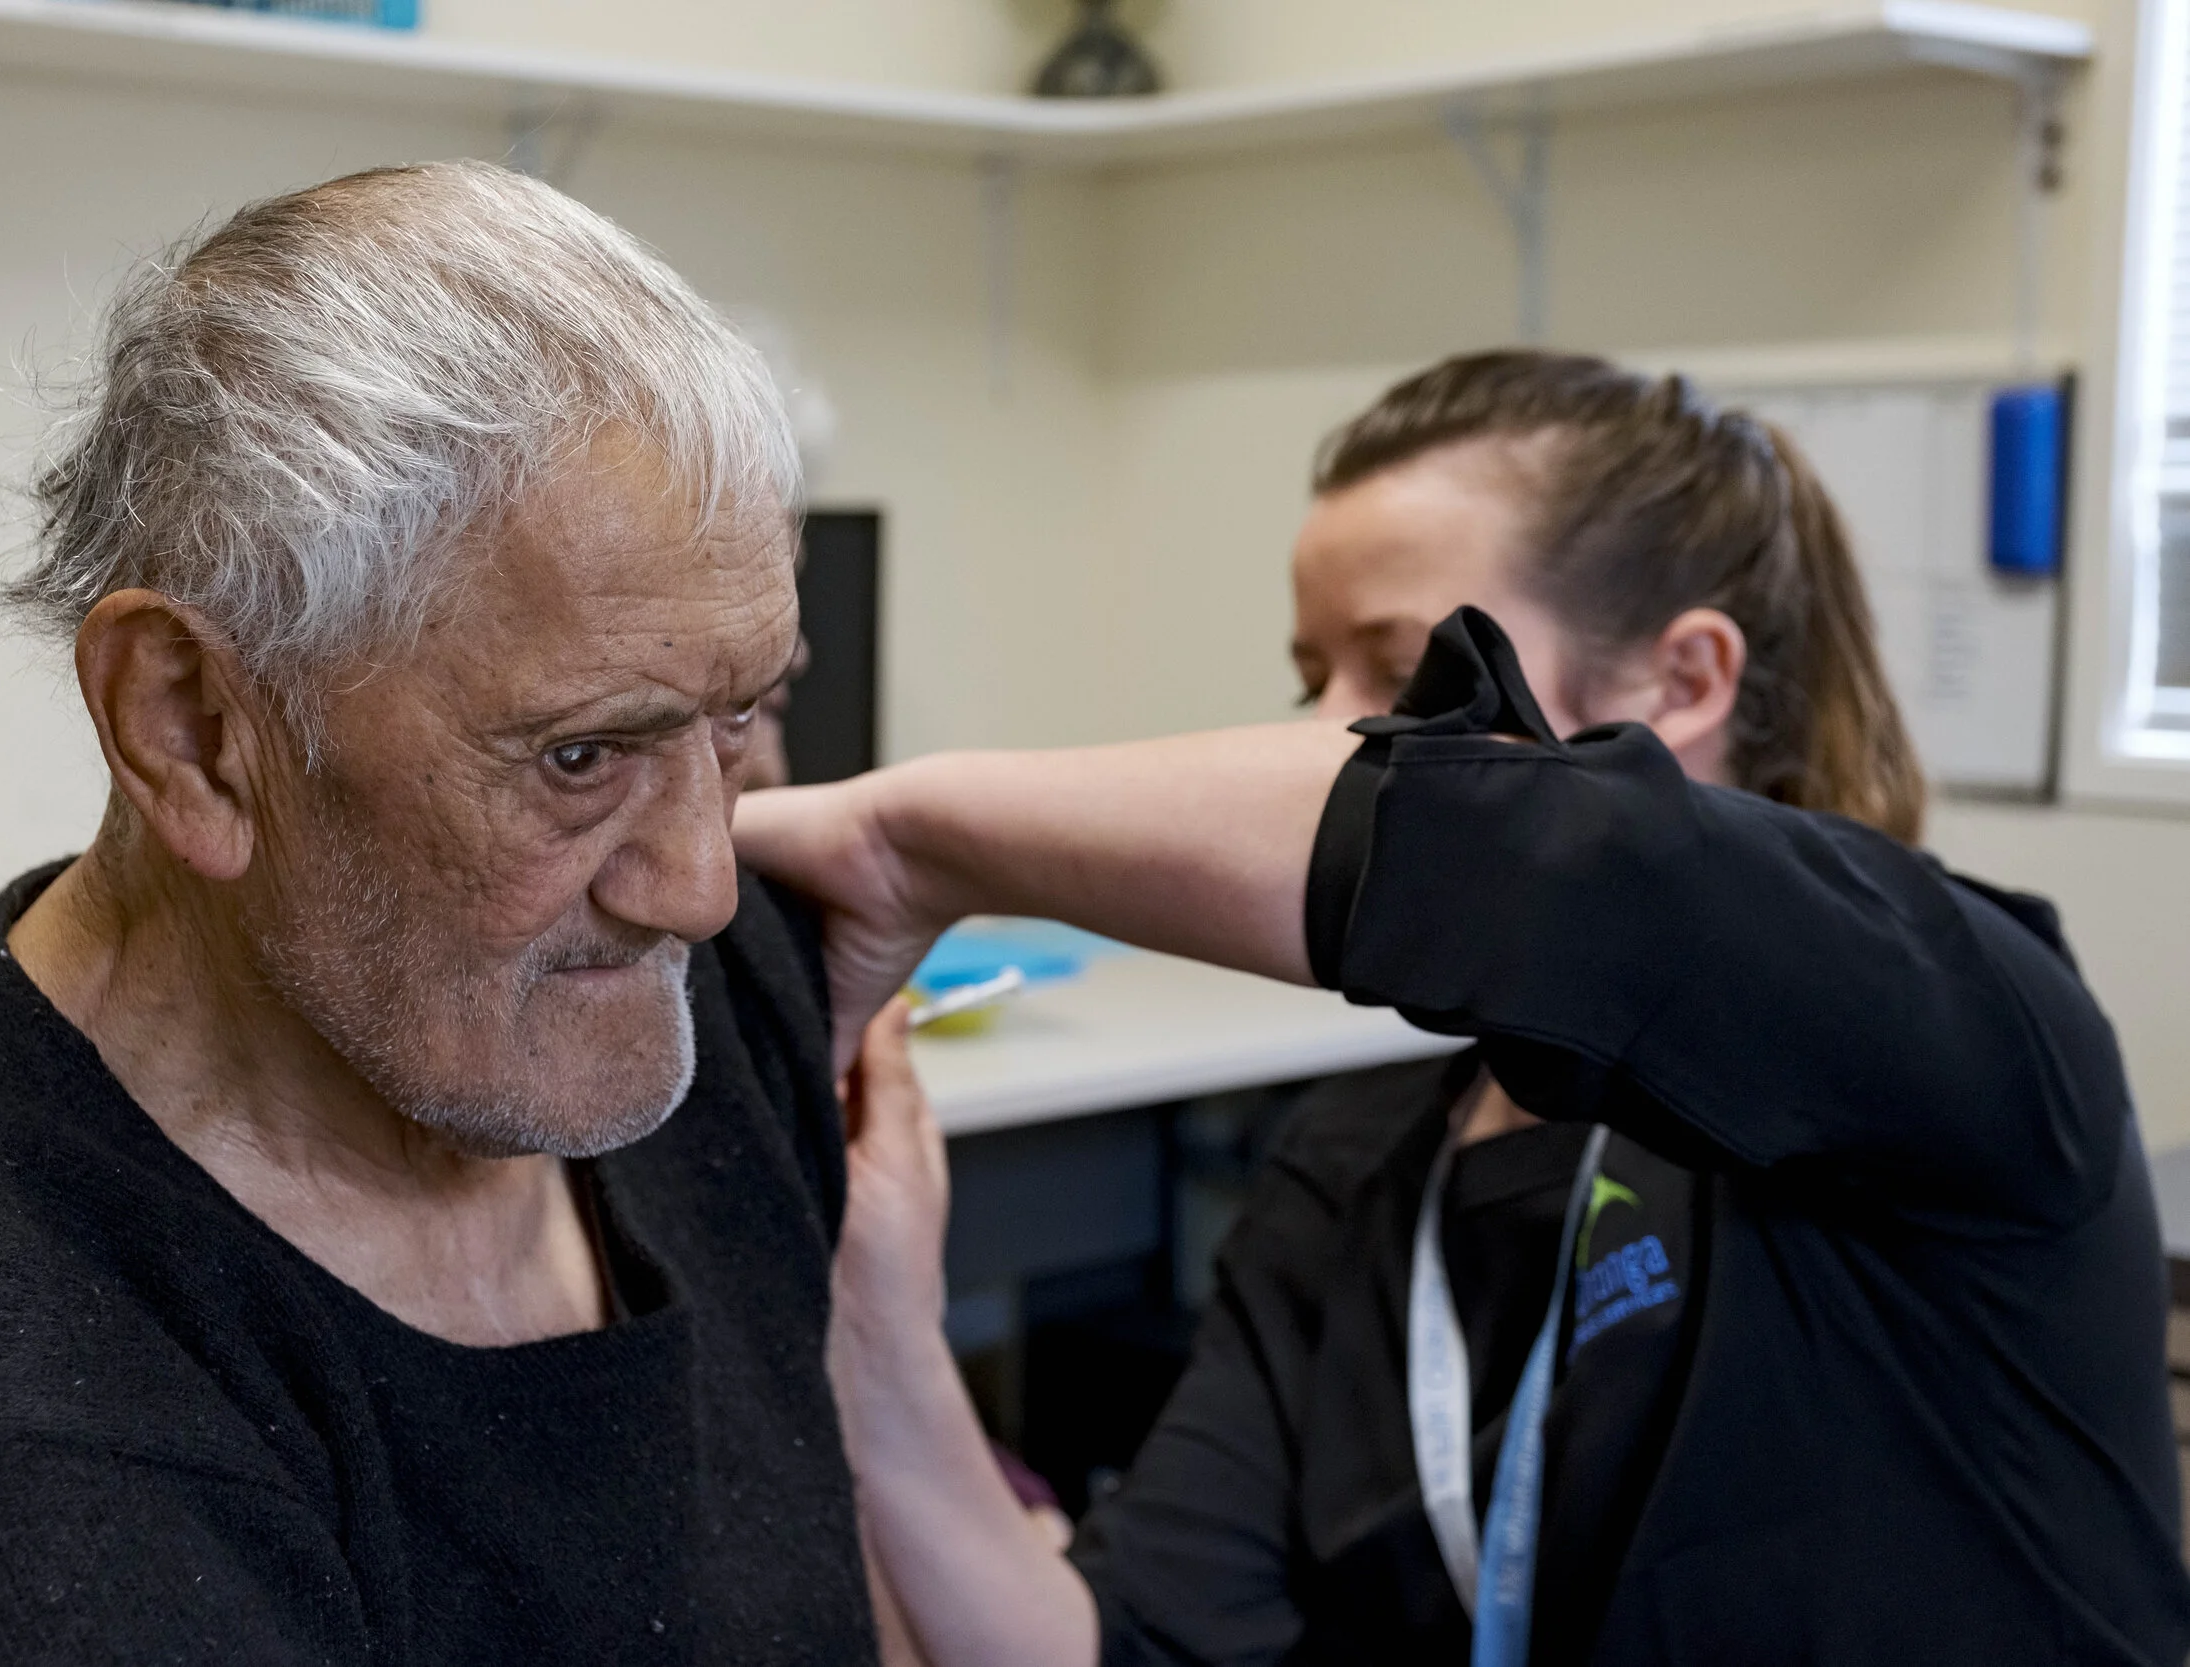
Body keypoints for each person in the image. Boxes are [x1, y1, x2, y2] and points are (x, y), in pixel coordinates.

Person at [739, 354, 2190, 1665]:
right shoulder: (1355, 1170)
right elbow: (1119, 1646)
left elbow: (1519, 855)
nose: (1327, 737)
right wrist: (877, 1325)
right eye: (1313, 679)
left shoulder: (1967, 1031)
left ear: (1685, 679)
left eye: (1407, 675)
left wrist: (907, 842)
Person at [0, 161, 886, 1664]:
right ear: (192, 728)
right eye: (580, 759)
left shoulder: (675, 996)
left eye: (742, 715)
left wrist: (927, 843)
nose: (701, 886)